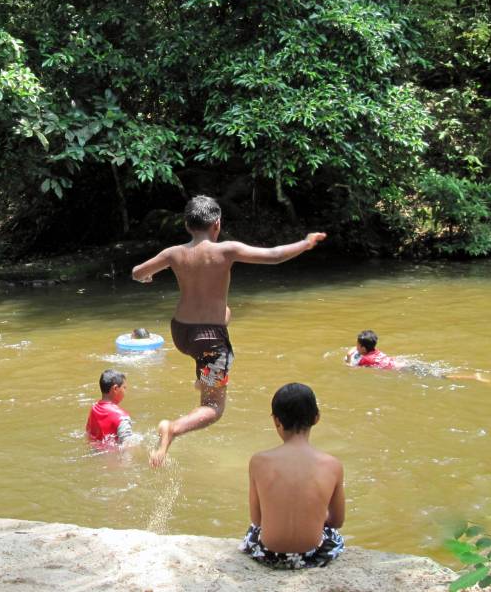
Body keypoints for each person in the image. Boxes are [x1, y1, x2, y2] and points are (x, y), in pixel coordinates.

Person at [132, 195, 326, 467]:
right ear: (217, 224)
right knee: (213, 407)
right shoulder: (226, 250)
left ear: (187, 225)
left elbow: (137, 272)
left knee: (226, 314)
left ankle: (205, 376)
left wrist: (147, 276)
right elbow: (274, 256)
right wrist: (305, 243)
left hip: (181, 333)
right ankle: (172, 429)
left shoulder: (172, 253)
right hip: (209, 340)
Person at [239, 382, 345, 569]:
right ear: (316, 418)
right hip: (313, 554)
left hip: (268, 554)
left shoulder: (258, 462)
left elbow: (257, 520)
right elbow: (337, 521)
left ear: (276, 421)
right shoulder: (332, 465)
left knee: (253, 531)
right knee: (333, 535)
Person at [346, 329, 489, 381]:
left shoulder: (365, 359)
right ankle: (472, 376)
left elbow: (351, 368)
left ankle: (473, 377)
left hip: (404, 370)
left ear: (363, 348)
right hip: (405, 364)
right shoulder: (376, 351)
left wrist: (348, 357)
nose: (356, 346)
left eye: (357, 345)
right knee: (438, 372)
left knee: (442, 377)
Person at [85, 369, 134, 446]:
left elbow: (88, 433)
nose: (125, 392)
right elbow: (128, 446)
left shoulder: (94, 408)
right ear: (115, 389)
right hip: (113, 453)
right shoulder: (121, 417)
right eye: (124, 388)